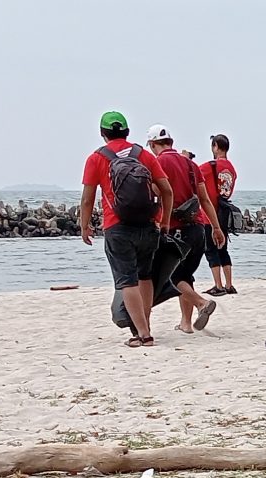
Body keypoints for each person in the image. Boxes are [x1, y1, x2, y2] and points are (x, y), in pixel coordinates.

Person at [80, 110, 175, 347]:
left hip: (117, 226)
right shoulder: (143, 155)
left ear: (102, 133)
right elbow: (167, 190)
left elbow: (87, 199)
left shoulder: (96, 158)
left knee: (127, 281)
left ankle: (143, 334)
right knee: (145, 276)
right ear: (127, 132)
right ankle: (146, 325)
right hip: (147, 225)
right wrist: (164, 220)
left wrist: (84, 225)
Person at [145, 125, 226, 334]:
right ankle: (186, 323)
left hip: (175, 228)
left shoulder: (158, 163)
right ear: (170, 142)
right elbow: (205, 199)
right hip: (198, 228)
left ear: (153, 144)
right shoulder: (191, 164)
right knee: (185, 275)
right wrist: (216, 228)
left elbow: (156, 192)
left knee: (173, 276)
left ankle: (201, 303)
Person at [200, 134, 239, 296]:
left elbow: (193, 172)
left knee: (210, 249)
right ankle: (229, 284)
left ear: (216, 146)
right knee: (223, 249)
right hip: (224, 212)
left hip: (209, 213)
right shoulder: (232, 169)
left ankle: (218, 285)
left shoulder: (210, 166)